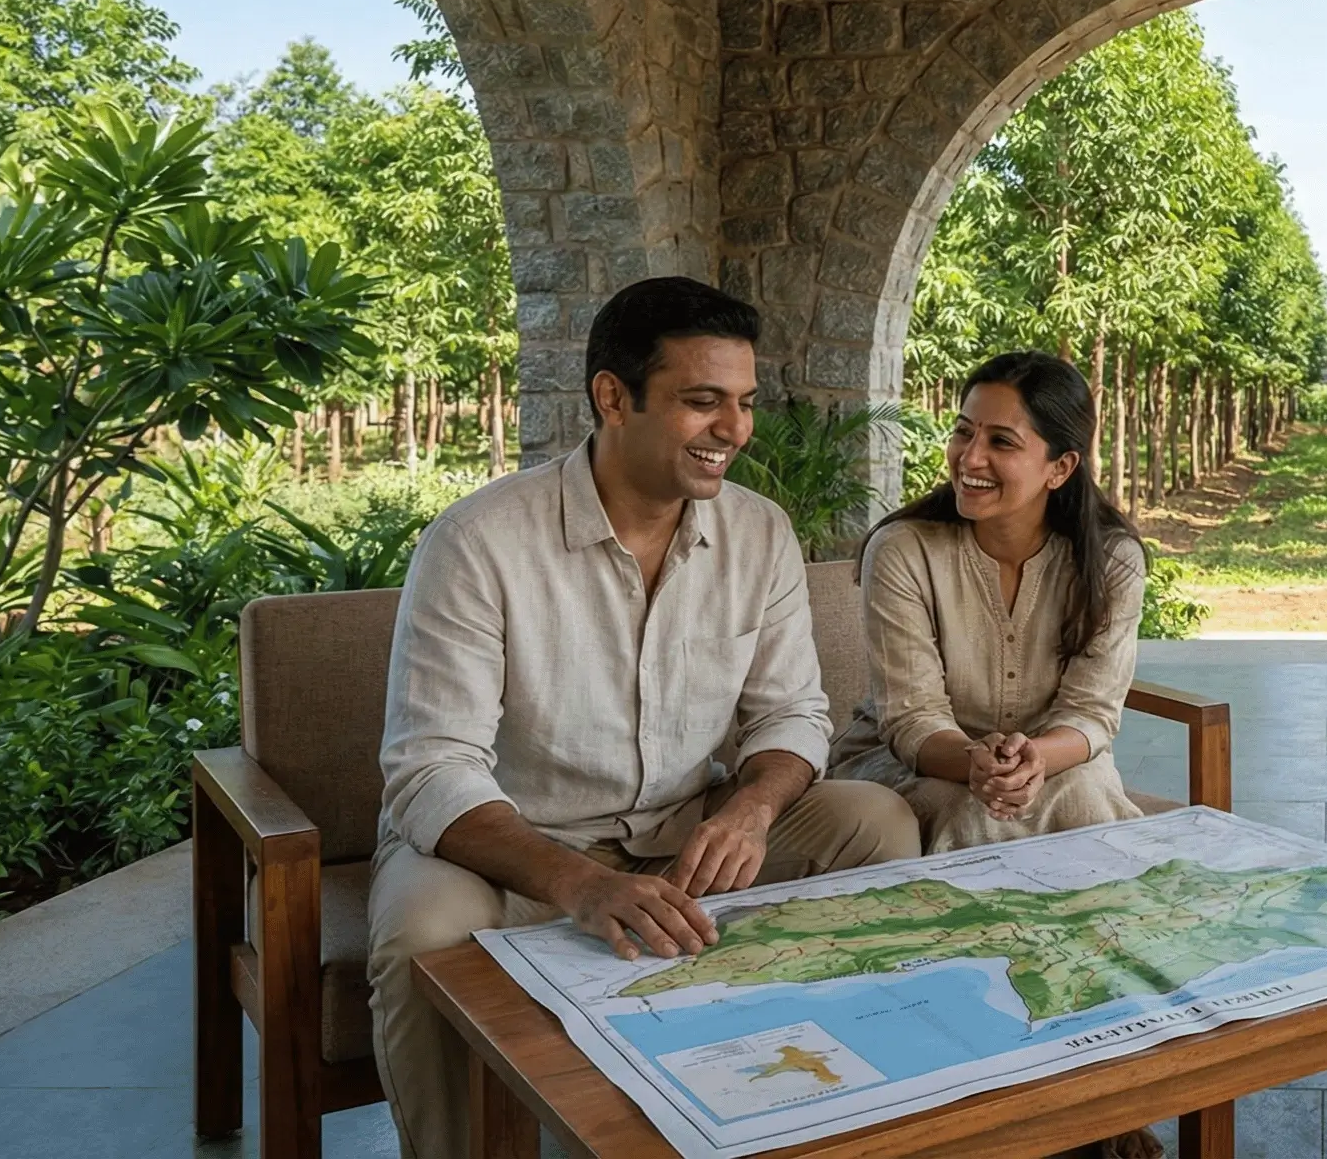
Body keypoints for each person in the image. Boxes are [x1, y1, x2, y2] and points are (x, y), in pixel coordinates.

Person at [365, 278, 922, 1159]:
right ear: (612, 397)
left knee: (875, 823)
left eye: (740, 403)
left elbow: (792, 715)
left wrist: (751, 809)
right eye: (702, 401)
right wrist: (580, 885)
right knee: (421, 940)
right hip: (508, 847)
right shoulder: (478, 542)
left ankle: (819, 1118)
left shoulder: (760, 532)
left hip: (684, 827)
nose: (733, 430)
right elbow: (433, 770)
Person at [830, 349, 1147, 853]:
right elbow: (912, 717)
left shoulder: (1112, 563)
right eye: (963, 432)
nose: (970, 457)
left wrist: (1034, 758)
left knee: (1086, 796)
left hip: (1053, 763)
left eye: (1001, 441)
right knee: (960, 809)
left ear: (1060, 467)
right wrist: (977, 764)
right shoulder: (902, 551)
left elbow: (1091, 713)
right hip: (915, 763)